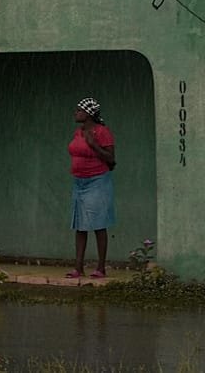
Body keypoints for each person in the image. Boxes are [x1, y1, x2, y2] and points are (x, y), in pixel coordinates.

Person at [65, 97, 116, 279]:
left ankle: (101, 268)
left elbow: (111, 158)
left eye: (79, 110)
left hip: (97, 181)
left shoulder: (102, 132)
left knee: (98, 224)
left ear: (88, 113)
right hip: (79, 182)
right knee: (80, 225)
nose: (76, 113)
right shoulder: (78, 132)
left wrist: (94, 145)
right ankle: (78, 267)